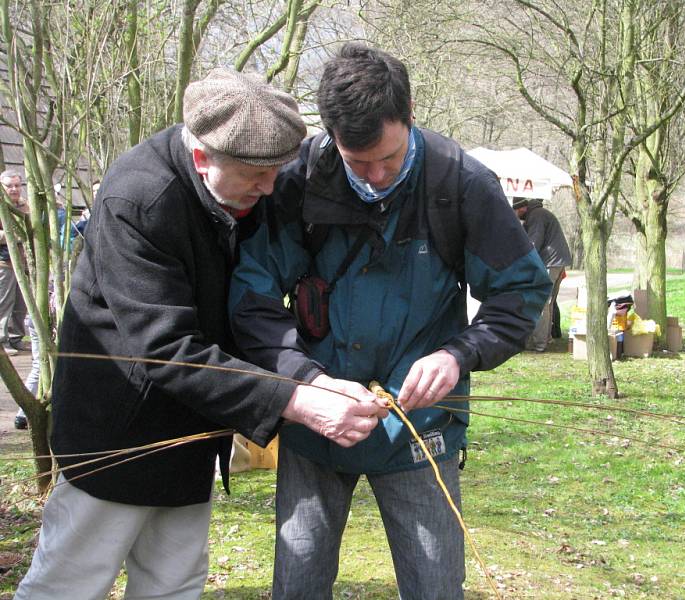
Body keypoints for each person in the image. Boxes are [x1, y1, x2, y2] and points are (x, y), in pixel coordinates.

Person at [15, 68, 387, 600]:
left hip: (191, 432)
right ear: (200, 157)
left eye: (276, 172)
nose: (269, 188)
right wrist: (297, 400)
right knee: (69, 584)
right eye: (254, 176)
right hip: (117, 435)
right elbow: (164, 348)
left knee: (174, 586)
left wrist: (311, 379)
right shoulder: (139, 200)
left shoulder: (247, 189)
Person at [230, 44, 552, 599]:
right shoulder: (298, 182)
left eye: (390, 157)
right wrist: (305, 382)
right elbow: (251, 296)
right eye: (358, 163)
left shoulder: (461, 184)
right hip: (317, 421)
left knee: (435, 585)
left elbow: (520, 291)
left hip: (419, 426)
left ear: (408, 117)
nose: (377, 177)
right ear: (330, 136)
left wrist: (459, 354)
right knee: (298, 582)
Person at [513, 197, 572, 352]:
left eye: (516, 211)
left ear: (522, 208)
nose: (516, 215)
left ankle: (539, 344)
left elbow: (533, 244)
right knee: (549, 302)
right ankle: (547, 338)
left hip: (550, 262)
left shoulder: (536, 216)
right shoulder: (539, 214)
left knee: (541, 301)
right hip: (558, 261)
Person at [0, 170, 28, 358]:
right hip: (4, 263)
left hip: (24, 263)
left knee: (21, 303)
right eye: (9, 186)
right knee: (4, 303)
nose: (14, 189)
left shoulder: (25, 206)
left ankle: (16, 338)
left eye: (17, 185)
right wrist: (13, 235)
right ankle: (2, 341)